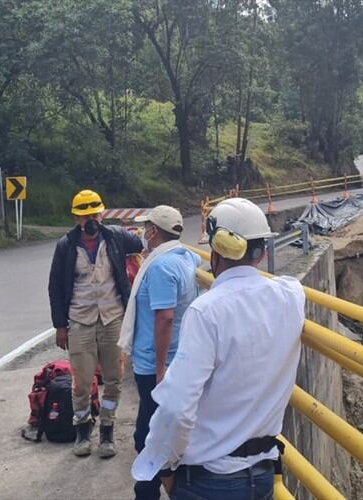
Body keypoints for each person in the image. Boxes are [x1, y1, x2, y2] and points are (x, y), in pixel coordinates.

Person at [131, 198, 306, 500]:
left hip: (210, 479)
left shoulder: (206, 311)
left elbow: (176, 407)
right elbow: (289, 284)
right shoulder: (290, 297)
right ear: (263, 252)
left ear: (215, 250)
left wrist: (164, 466)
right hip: (263, 474)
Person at [48, 189, 143, 458]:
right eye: (84, 215)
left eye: (94, 213)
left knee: (114, 379)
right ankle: (82, 431)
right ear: (77, 218)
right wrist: (60, 326)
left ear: (101, 214)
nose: (90, 219)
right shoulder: (66, 246)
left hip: (113, 318)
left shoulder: (114, 237)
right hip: (80, 321)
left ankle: (107, 431)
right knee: (81, 381)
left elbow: (142, 243)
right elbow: (55, 288)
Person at [117, 205, 201, 500]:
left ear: (154, 231)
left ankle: (157, 492)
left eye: (146, 227)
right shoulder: (185, 256)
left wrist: (160, 368)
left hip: (155, 365)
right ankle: (145, 490)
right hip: (171, 360)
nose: (143, 232)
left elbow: (164, 318)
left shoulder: (162, 267)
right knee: (146, 433)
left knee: (152, 437)